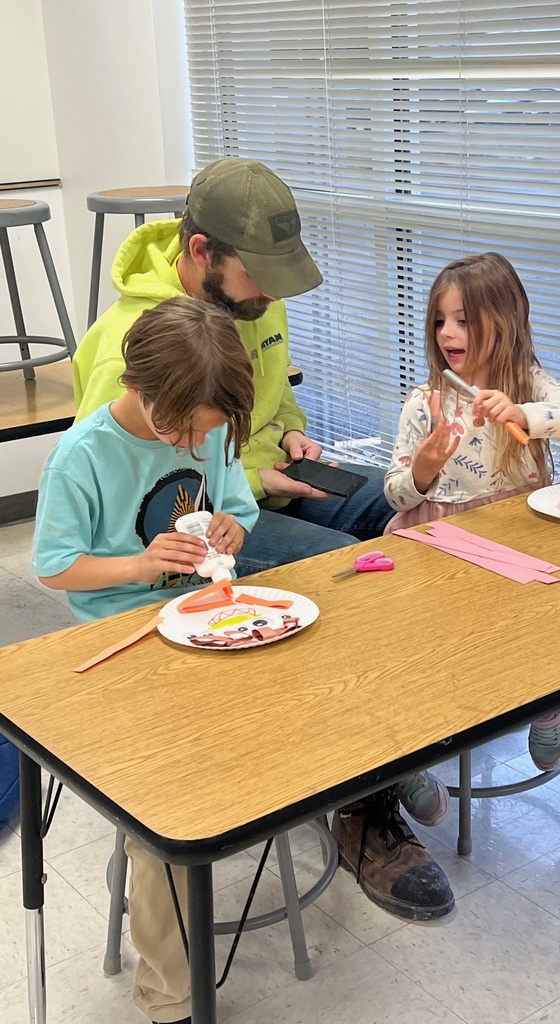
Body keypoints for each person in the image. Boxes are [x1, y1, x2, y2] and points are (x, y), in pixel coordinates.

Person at [32, 297, 261, 1023]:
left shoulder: (210, 428)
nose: (197, 446)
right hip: (119, 643)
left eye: (208, 434)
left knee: (306, 720)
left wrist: (234, 526)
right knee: (163, 817)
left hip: (204, 622)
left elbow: (239, 509)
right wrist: (140, 565)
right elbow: (55, 565)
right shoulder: (83, 455)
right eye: (184, 431)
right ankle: (172, 998)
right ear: (138, 387)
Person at [72, 157, 394, 577]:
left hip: (275, 480)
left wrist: (291, 431)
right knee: (341, 563)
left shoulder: (255, 300)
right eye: (258, 273)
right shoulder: (133, 345)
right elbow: (117, 483)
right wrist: (256, 480)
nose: (274, 293)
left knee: (413, 501)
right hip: (194, 513)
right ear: (202, 252)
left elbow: (277, 389)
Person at [382, 251, 560, 774]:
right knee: (416, 649)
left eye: (463, 320)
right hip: (439, 545)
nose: (447, 333)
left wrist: (523, 412)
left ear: (503, 323)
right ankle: (405, 763)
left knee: (542, 626)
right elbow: (394, 495)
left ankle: (547, 704)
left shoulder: (528, 383)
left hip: (517, 539)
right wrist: (422, 472)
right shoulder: (424, 402)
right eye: (440, 320)